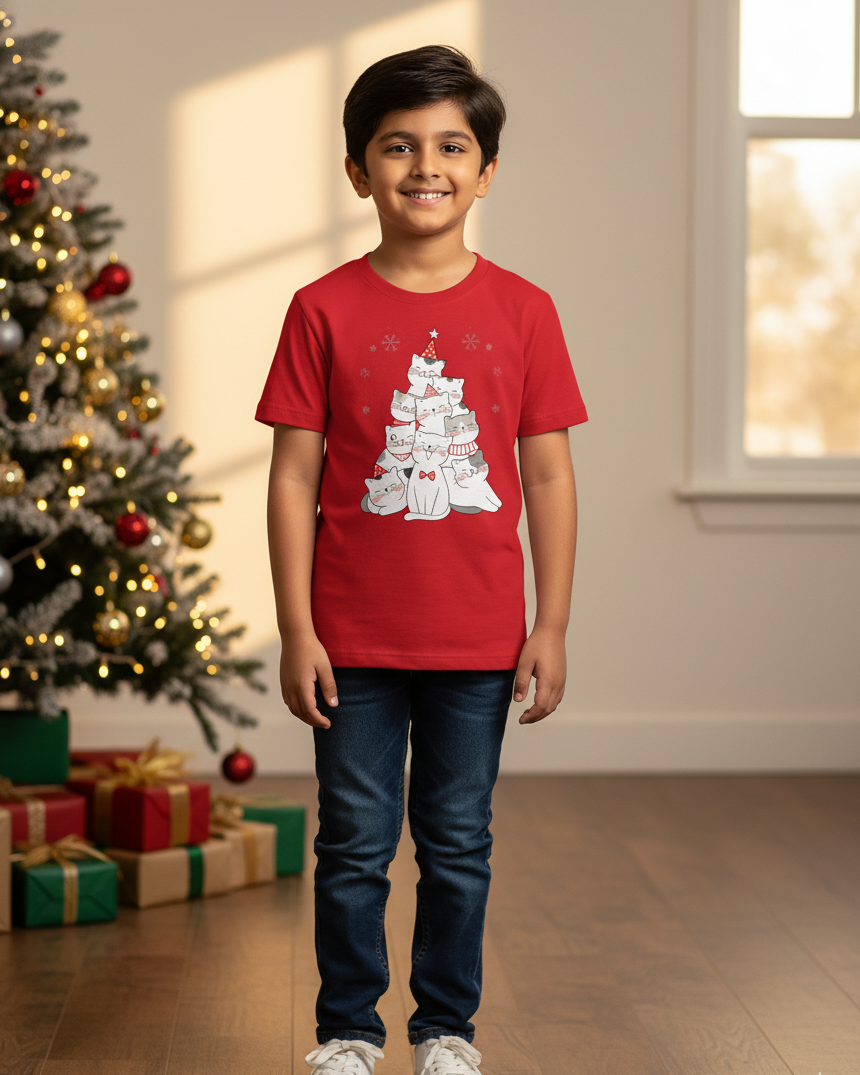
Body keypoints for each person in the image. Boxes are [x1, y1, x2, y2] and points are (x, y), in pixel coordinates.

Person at [255, 44, 587, 1075]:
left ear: (486, 170)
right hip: (349, 640)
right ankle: (347, 1031)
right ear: (358, 170)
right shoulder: (321, 309)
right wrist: (298, 628)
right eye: (396, 146)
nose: (424, 166)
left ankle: (446, 1028)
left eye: (451, 145)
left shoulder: (524, 310)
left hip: (478, 641)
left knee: (455, 846)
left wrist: (551, 623)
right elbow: (292, 480)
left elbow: (545, 480)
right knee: (351, 847)